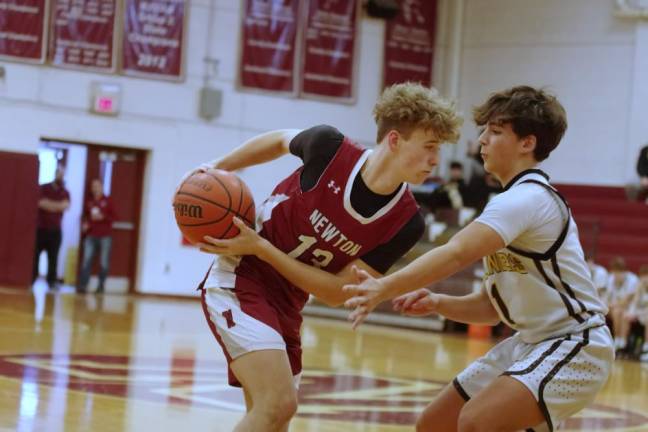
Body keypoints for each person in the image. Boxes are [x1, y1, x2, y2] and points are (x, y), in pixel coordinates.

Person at [180, 82, 462, 432]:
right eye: (430, 147)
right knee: (279, 403)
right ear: (394, 140)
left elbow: (334, 293)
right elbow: (279, 140)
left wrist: (262, 247)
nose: (436, 160)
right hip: (241, 277)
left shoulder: (406, 223)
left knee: (274, 419)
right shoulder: (328, 147)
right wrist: (216, 167)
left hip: (288, 300)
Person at [343, 85, 614, 432]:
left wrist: (384, 286)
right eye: (484, 130)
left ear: (527, 143)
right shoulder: (510, 202)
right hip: (530, 343)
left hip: (577, 345)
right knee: (434, 424)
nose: (482, 140)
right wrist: (439, 302)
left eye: (495, 131)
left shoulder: (529, 199)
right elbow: (493, 307)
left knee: (475, 422)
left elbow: (456, 252)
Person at [33, 163, 71, 290]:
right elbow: (40, 203)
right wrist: (56, 206)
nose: (61, 175)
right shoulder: (43, 188)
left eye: (63, 173)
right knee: (35, 255)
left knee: (53, 257)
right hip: (41, 228)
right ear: (55, 174)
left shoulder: (65, 192)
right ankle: (32, 279)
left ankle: (51, 282)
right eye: (59, 173)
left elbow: (65, 206)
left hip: (56, 230)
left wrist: (50, 205)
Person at [77, 179, 116, 294]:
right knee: (86, 260)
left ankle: (100, 287)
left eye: (97, 186)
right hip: (91, 235)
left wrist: (102, 217)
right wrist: (84, 224)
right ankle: (83, 286)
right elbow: (84, 216)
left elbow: (114, 217)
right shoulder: (89, 202)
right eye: (93, 186)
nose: (95, 188)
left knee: (104, 262)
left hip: (105, 236)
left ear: (102, 187)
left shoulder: (108, 201)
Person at [604, 256, 639, 349]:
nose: (616, 275)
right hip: (613, 307)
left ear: (624, 272)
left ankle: (621, 340)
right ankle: (618, 339)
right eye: (614, 272)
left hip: (628, 308)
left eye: (618, 273)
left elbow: (627, 301)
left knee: (622, 314)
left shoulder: (632, 279)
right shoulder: (611, 278)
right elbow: (607, 298)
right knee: (617, 311)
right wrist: (610, 305)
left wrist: (615, 304)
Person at [617, 265, 648, 360]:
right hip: (640, 313)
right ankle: (622, 344)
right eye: (642, 276)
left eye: (646, 276)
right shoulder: (639, 286)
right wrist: (630, 313)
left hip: (646, 313)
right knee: (625, 315)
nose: (644, 279)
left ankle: (646, 348)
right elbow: (634, 303)